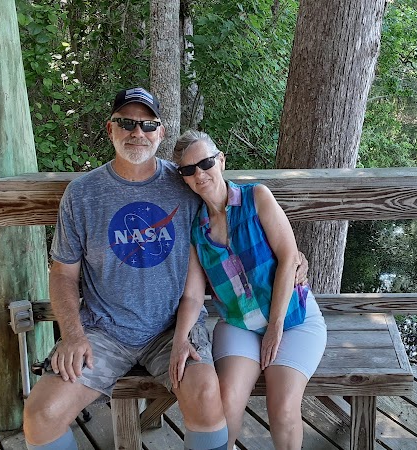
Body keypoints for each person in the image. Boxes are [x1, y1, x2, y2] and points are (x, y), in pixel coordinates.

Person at [23, 87, 228, 450]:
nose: (138, 133)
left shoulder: (185, 182)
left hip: (173, 328)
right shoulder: (83, 193)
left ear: (161, 133)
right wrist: (72, 334)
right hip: (103, 332)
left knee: (207, 396)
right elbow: (63, 273)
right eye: (127, 123)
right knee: (42, 414)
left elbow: (230, 214)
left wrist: (290, 260)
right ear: (110, 129)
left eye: (148, 125)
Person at [172, 130, 328, 450]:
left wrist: (275, 325)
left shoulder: (257, 197)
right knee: (226, 404)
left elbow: (289, 258)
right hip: (239, 324)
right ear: (184, 179)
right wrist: (180, 339)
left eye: (205, 163)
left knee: (283, 409)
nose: (200, 174)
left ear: (221, 161)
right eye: (189, 170)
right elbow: (191, 296)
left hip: (293, 319)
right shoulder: (196, 232)